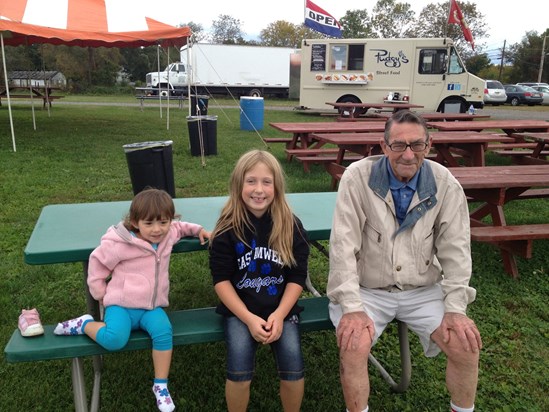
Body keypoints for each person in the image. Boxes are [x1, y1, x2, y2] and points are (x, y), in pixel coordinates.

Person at [327, 110, 483, 412]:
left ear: (429, 145)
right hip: (368, 289)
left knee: (465, 346)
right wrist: (351, 307)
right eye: (398, 145)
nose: (408, 154)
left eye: (417, 145)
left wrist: (455, 308)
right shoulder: (357, 177)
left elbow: (456, 251)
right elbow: (342, 247)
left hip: (422, 289)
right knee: (353, 345)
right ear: (384, 147)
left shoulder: (445, 183)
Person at [54, 188, 210, 412]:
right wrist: (101, 295)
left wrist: (199, 230)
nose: (157, 229)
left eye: (163, 222)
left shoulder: (168, 234)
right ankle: (84, 324)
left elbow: (181, 227)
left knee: (164, 331)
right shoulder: (120, 243)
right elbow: (97, 263)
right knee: (115, 340)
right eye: (149, 223)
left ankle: (160, 385)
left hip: (151, 307)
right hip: (121, 305)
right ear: (136, 222)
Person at [209, 150, 310, 412]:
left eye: (267, 182)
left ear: (277, 186)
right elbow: (221, 280)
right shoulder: (227, 227)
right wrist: (248, 318)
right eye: (250, 181)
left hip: (281, 310)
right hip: (240, 311)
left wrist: (280, 314)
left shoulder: (290, 224)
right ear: (238, 184)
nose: (259, 189)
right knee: (239, 372)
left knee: (293, 368)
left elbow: (298, 277)